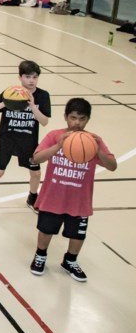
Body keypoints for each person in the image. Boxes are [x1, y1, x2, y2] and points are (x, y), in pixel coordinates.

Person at [29, 98, 116, 282]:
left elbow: (112, 166)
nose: (77, 123)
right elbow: (36, 158)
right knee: (46, 230)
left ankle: (70, 260)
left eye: (82, 119)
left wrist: (98, 149)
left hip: (79, 199)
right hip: (53, 196)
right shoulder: (54, 135)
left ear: (88, 119)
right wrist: (59, 145)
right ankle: (40, 255)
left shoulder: (94, 141)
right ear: (66, 117)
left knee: (78, 234)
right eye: (73, 117)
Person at [0, 60, 51, 216]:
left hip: (28, 140)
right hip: (7, 139)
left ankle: (32, 197)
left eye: (35, 77)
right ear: (20, 77)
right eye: (27, 77)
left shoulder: (42, 96)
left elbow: (44, 122)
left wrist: (33, 107)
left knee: (35, 173)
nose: (31, 80)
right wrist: (5, 102)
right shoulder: (10, 92)